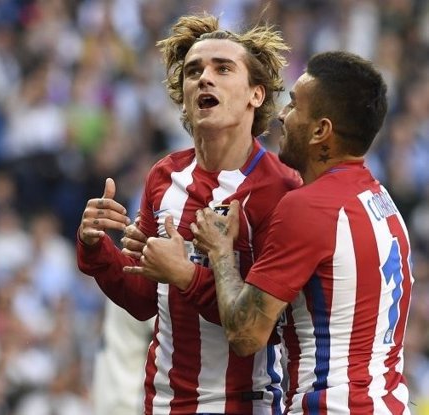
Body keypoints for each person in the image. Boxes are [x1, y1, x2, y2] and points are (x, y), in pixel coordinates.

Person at [77, 13, 301, 414]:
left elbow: (256, 329)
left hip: (243, 405)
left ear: (256, 95)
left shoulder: (281, 190)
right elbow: (144, 299)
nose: (204, 78)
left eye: (223, 68)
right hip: (162, 403)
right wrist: (96, 248)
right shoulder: (163, 176)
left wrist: (184, 273)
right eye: (194, 71)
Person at [191, 51, 413, 413]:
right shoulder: (382, 201)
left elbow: (245, 334)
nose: (281, 115)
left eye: (293, 106)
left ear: (320, 131)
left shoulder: (308, 207)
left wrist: (219, 251)